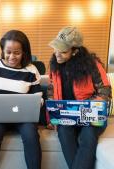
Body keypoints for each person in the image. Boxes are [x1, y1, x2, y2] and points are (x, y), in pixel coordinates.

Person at [48, 26, 111, 169]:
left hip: (91, 115)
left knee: (88, 135)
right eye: (56, 48)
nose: (57, 53)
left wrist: (82, 109)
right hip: (67, 117)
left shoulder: (92, 65)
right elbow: (51, 94)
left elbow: (105, 92)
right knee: (63, 131)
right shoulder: (54, 67)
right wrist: (52, 117)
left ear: (75, 51)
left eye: (63, 51)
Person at [0, 30, 42, 169]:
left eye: (17, 53)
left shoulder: (31, 70)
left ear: (24, 52)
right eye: (8, 52)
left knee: (31, 135)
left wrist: (36, 103)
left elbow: (38, 97)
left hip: (23, 117)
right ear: (2, 50)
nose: (12, 56)